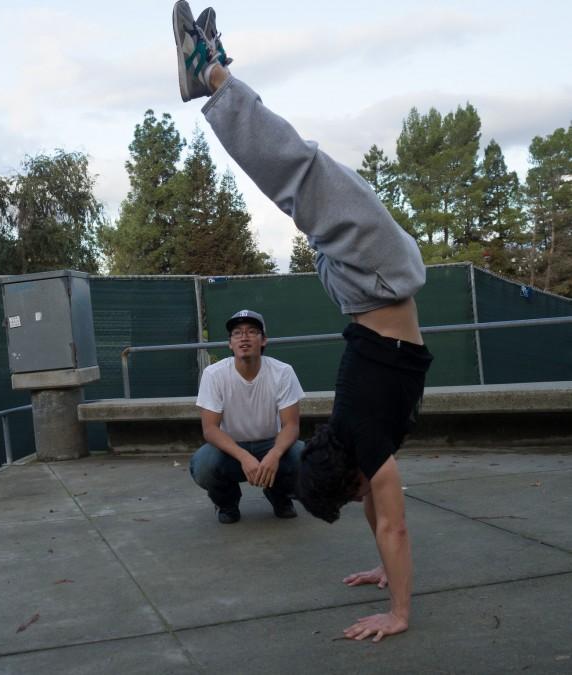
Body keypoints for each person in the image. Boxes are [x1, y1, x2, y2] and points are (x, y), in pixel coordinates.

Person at [173, 2, 434, 642]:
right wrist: (384, 570)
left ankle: (210, 76)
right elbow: (383, 520)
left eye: (352, 496)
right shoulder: (359, 447)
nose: (366, 500)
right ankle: (215, 71)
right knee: (304, 181)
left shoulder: (368, 448)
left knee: (300, 172)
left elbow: (391, 521)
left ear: (350, 479)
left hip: (374, 279)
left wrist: (398, 609)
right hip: (360, 283)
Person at [190, 309, 305, 524]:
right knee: (204, 465)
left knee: (302, 457)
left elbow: (291, 425)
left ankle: (280, 496)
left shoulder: (282, 372)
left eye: (252, 331)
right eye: (237, 333)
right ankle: (227, 504)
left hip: (270, 443)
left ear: (264, 340)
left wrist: (275, 454)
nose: (244, 337)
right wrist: (243, 457)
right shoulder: (214, 374)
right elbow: (210, 429)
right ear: (230, 343)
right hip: (230, 449)